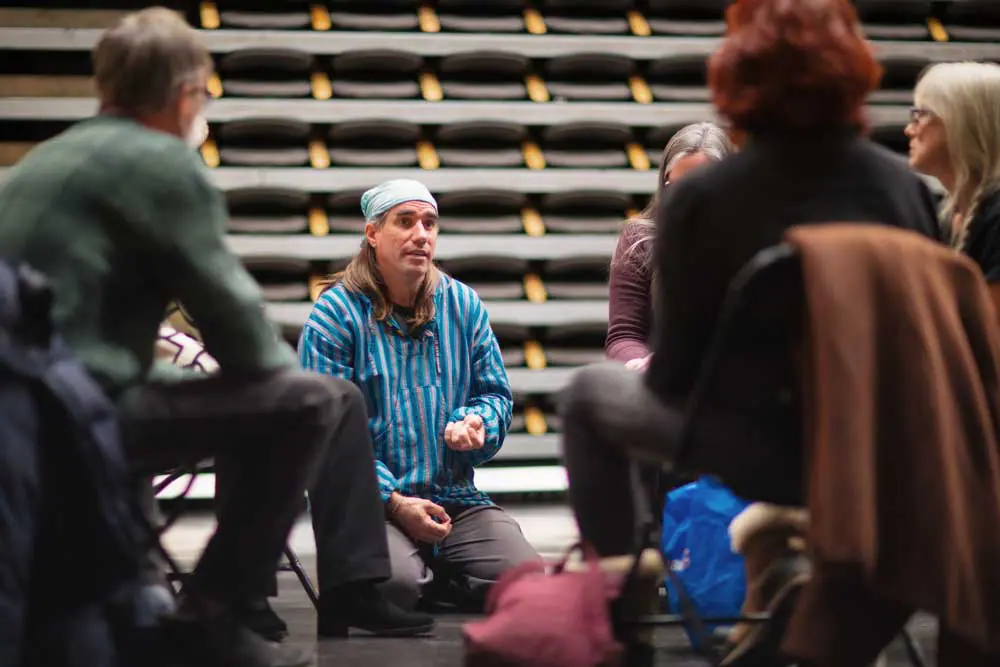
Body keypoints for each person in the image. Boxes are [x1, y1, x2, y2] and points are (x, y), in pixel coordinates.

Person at [0, 8, 430, 666]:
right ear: (185, 94)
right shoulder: (162, 164)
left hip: (31, 403)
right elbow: (248, 349)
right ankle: (213, 614)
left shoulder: (42, 162)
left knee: (301, 396)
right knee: (314, 399)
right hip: (78, 411)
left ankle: (252, 600)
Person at [559, 0, 941, 665]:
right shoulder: (902, 191)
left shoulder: (708, 201)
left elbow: (674, 376)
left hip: (745, 449)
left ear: (739, 74)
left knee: (588, 396)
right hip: (870, 453)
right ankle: (801, 577)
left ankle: (629, 604)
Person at [300, 179, 541, 616]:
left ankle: (441, 574)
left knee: (526, 578)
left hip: (452, 499)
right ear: (372, 234)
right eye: (405, 222)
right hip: (373, 506)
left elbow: (496, 396)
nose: (421, 234)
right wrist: (393, 501)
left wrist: (478, 422)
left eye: (429, 223)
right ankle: (425, 577)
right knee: (393, 588)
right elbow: (323, 437)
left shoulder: (463, 305)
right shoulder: (335, 315)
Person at [607, 121, 734, 370]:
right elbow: (624, 335)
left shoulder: (752, 239)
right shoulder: (639, 239)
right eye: (675, 187)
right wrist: (639, 362)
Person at [906, 61, 1000, 281]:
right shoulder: (947, 215)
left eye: (920, 115)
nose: (909, 129)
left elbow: (988, 315)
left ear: (963, 122)